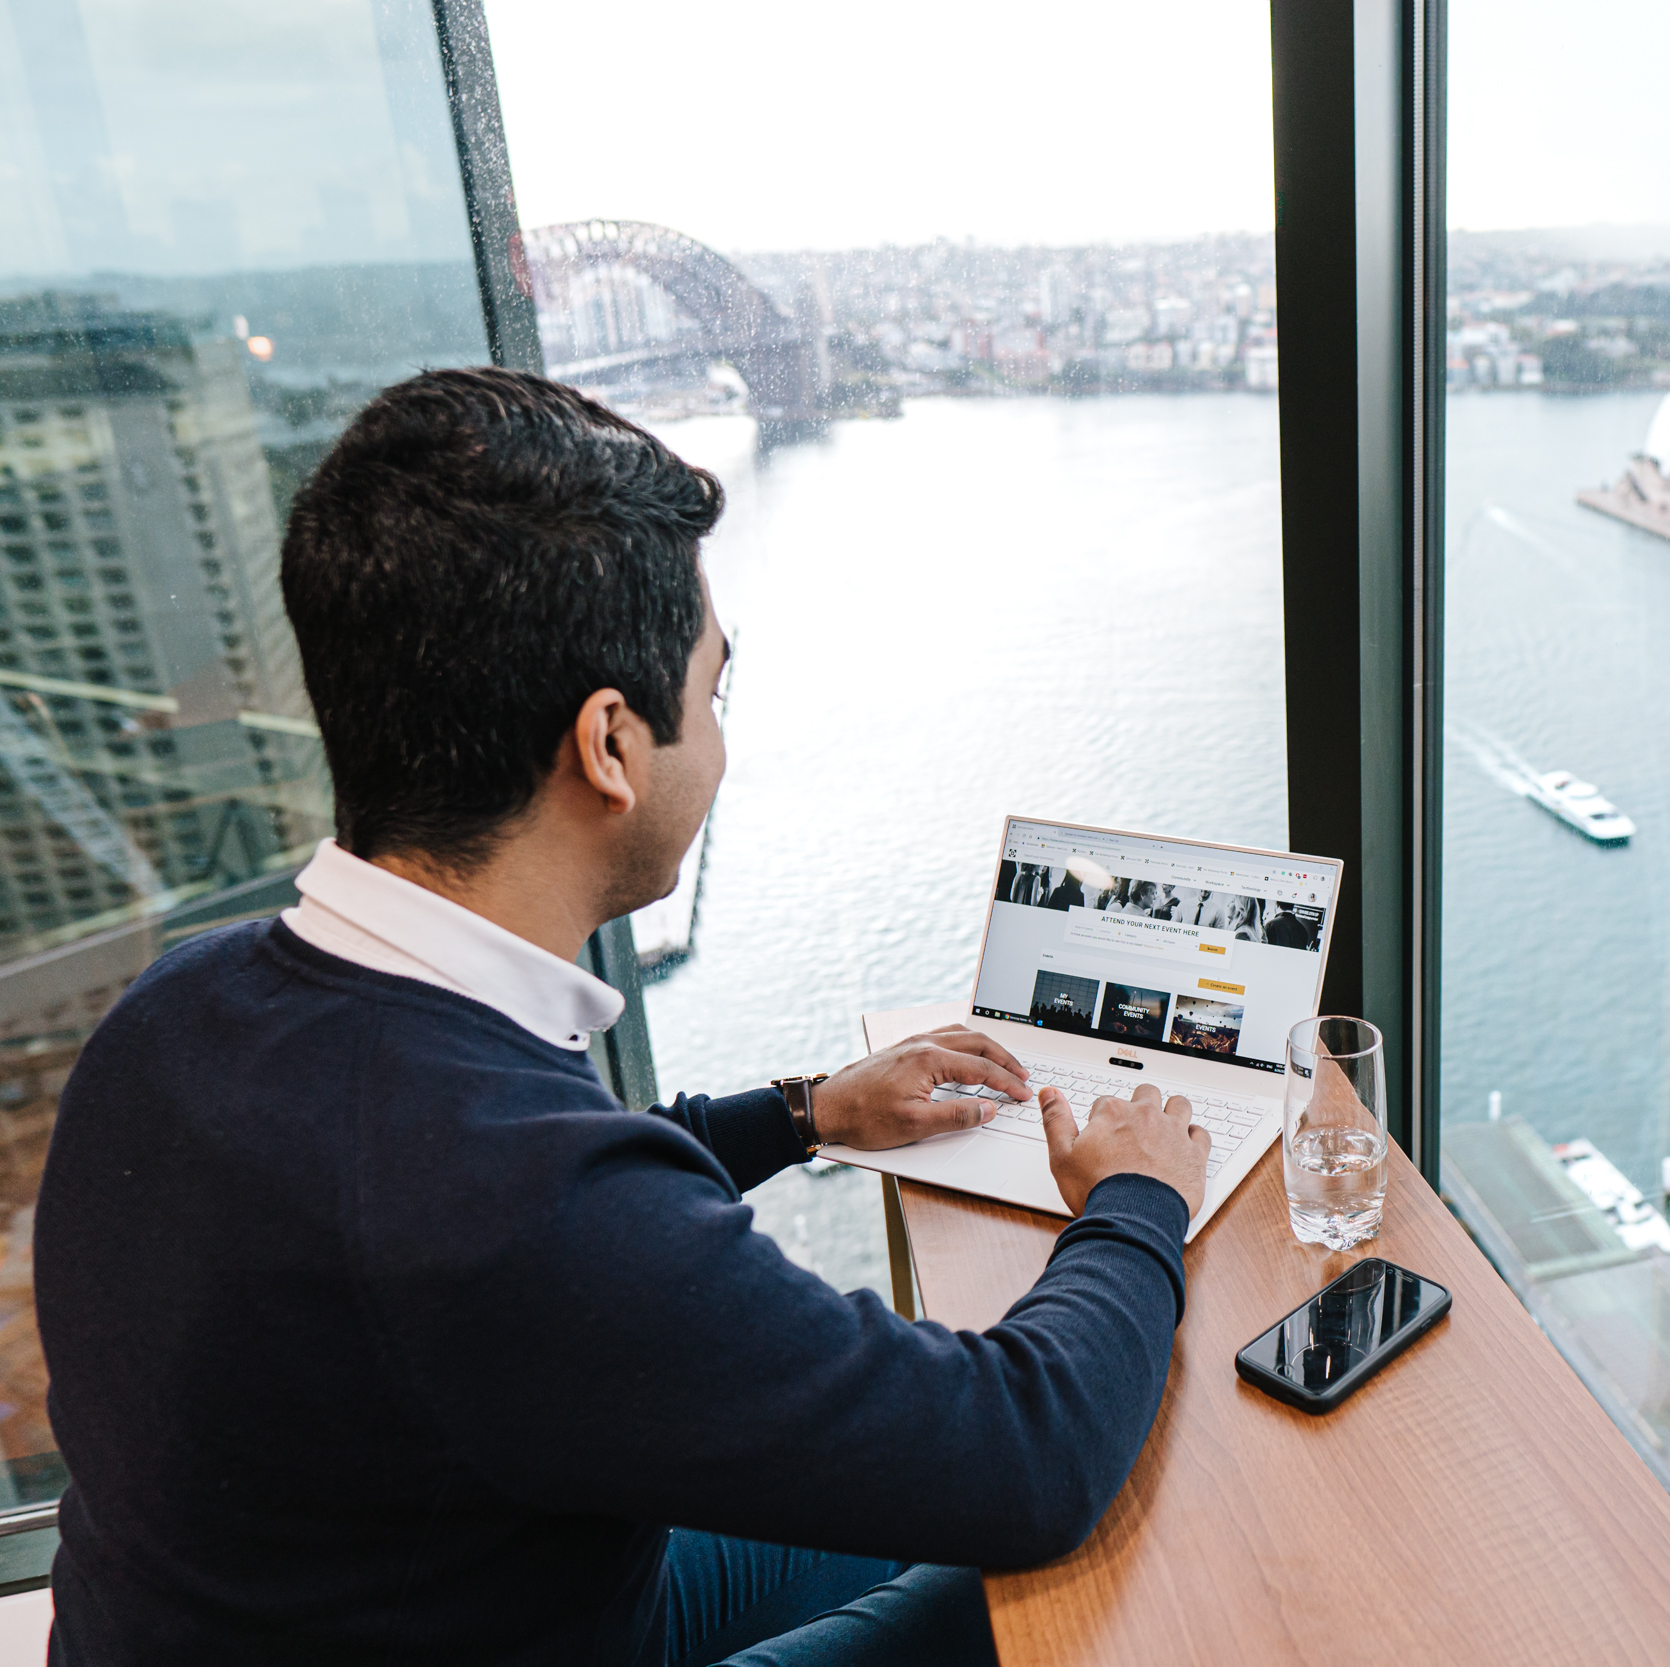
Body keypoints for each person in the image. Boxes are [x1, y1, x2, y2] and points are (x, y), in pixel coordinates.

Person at [34, 369, 1211, 1666]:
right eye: (711, 692)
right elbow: (1023, 1459)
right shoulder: (512, 1204)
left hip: (350, 1605)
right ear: (609, 743)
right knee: (1070, 1593)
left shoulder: (176, 1012)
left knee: (886, 1508)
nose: (714, 735)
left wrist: (805, 1114)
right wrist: (1138, 1202)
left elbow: (477, 1247)